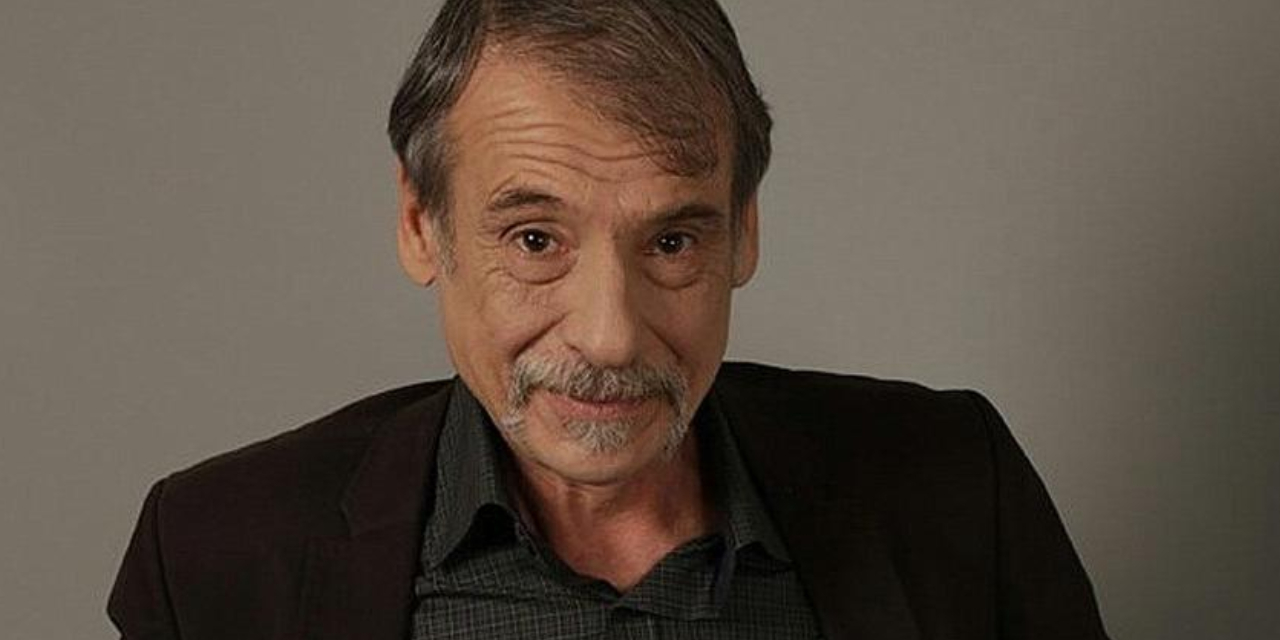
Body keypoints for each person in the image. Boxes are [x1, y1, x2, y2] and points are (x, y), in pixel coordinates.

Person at [108, 1, 1110, 638]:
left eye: (670, 242)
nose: (610, 336)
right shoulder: (214, 562)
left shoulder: (953, 491)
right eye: (535, 239)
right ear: (421, 227)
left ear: (743, 233)